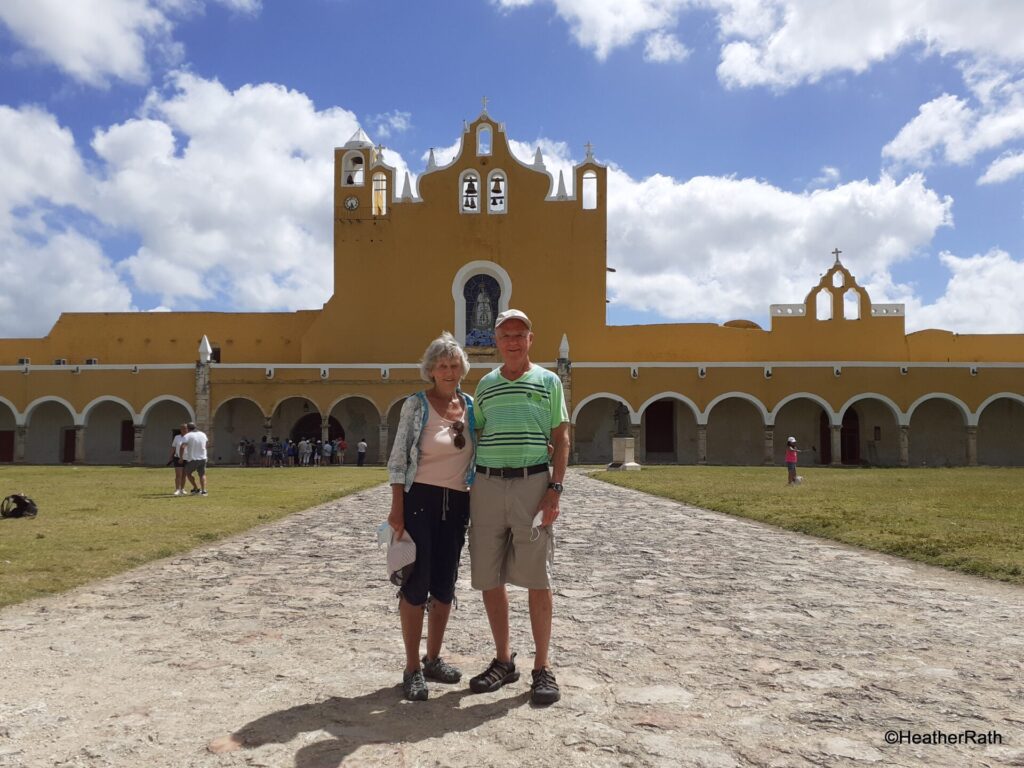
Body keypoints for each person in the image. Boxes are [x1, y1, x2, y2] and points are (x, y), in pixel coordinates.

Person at [468, 309, 569, 706]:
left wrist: (554, 489)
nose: (512, 341)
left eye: (519, 334)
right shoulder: (486, 385)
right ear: (497, 341)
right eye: (505, 335)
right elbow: (476, 433)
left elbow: (560, 437)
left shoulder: (548, 382)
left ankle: (542, 667)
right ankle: (503, 660)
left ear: (530, 339)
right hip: (488, 483)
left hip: (532, 483)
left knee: (537, 577)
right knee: (489, 574)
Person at [386, 332, 477, 701]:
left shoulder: (470, 404)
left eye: (454, 365)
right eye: (442, 365)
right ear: (431, 370)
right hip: (419, 499)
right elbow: (397, 460)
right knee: (415, 582)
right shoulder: (416, 405)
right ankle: (411, 668)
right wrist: (397, 508)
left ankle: (433, 658)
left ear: (462, 369)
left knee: (445, 583)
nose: (449, 370)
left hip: (456, 503)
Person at [179, 421, 210, 496]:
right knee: (202, 474)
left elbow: (182, 447)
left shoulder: (188, 435)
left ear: (188, 429)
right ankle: (203, 491)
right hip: (203, 458)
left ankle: (196, 488)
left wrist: (181, 457)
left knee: (187, 472)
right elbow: (206, 444)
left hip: (193, 458)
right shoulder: (203, 434)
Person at [170, 425, 191, 496]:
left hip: (187, 458)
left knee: (184, 475)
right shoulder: (177, 437)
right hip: (178, 458)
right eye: (183, 429)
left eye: (186, 429)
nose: (184, 430)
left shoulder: (190, 437)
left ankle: (182, 489)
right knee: (178, 475)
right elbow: (173, 447)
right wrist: (171, 456)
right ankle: (177, 489)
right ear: (180, 429)